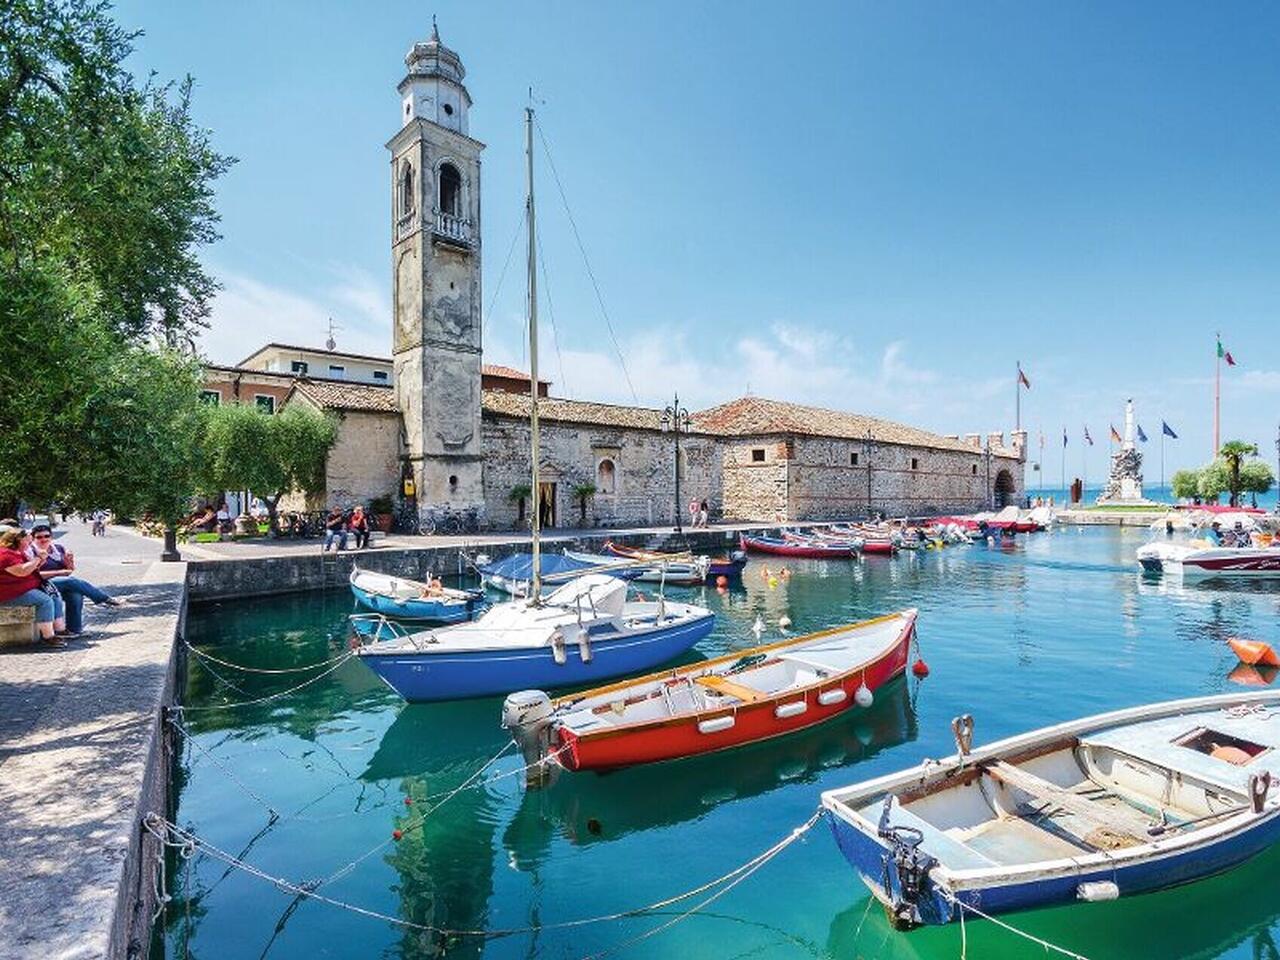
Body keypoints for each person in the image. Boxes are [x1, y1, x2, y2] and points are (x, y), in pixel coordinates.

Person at [26, 524, 122, 634]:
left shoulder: (58, 549)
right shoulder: (31, 552)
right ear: (33, 538)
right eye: (39, 537)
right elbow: (34, 575)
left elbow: (69, 570)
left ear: (51, 537)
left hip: (60, 583)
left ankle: (74, 631)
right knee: (71, 581)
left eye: (46, 536)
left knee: (75, 594)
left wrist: (70, 561)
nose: (43, 539)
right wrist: (59, 573)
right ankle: (103, 599)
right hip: (41, 584)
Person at [0, 527, 68, 644]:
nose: (30, 543)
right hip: (9, 593)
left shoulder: (17, 553)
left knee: (55, 593)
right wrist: (38, 558)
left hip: (23, 588)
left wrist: (40, 560)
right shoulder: (5, 555)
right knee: (44, 601)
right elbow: (22, 571)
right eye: (27, 540)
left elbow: (30, 568)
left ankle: (59, 629)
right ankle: (49, 636)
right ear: (18, 541)